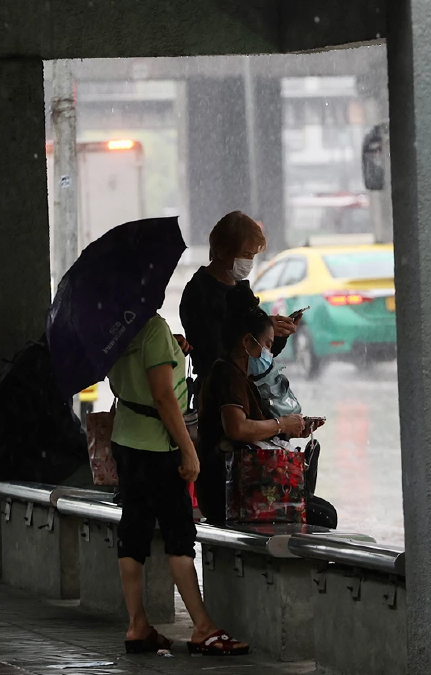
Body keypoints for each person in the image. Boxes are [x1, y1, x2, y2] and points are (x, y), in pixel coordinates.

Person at [106, 312, 249, 656]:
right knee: (179, 535)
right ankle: (202, 628)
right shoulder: (152, 327)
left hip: (126, 439)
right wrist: (189, 451)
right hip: (158, 447)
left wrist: (172, 350)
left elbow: (133, 379)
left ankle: (138, 624)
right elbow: (163, 397)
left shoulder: (115, 326)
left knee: (134, 531)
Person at [197, 293, 333, 526]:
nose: (269, 354)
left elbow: (256, 429)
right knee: (324, 516)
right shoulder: (227, 375)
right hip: (229, 489)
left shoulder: (242, 375)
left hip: (244, 483)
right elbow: (237, 428)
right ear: (247, 342)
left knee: (322, 510)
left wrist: (292, 428)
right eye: (267, 345)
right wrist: (282, 424)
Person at [180, 211, 297, 392]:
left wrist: (276, 333)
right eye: (245, 255)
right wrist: (260, 330)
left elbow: (260, 356)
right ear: (221, 251)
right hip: (218, 391)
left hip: (247, 388)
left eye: (252, 256)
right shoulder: (199, 293)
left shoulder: (241, 289)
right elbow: (214, 351)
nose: (249, 262)